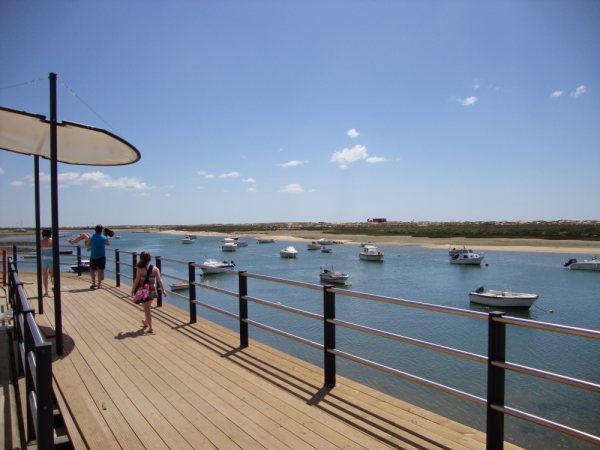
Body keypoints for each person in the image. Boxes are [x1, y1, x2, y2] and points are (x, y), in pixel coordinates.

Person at [130, 250, 166, 334]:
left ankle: (150, 327)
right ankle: (146, 322)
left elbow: (136, 280)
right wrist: (163, 290)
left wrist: (133, 290)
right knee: (147, 308)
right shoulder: (155, 268)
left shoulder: (140, 268)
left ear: (141, 259)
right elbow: (159, 280)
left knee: (147, 310)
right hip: (153, 291)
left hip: (144, 291)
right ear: (150, 258)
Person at [89, 224, 110, 289]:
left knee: (92, 270)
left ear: (95, 230)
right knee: (100, 270)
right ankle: (99, 284)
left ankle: (93, 283)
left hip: (93, 256)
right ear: (101, 230)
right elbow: (108, 244)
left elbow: (89, 244)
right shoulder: (103, 237)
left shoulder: (91, 237)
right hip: (101, 256)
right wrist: (107, 238)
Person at [40, 228, 53, 296]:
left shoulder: (41, 241)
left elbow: (40, 250)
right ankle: (54, 286)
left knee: (45, 276)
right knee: (52, 275)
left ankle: (46, 291)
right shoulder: (52, 240)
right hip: (51, 259)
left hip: (44, 259)